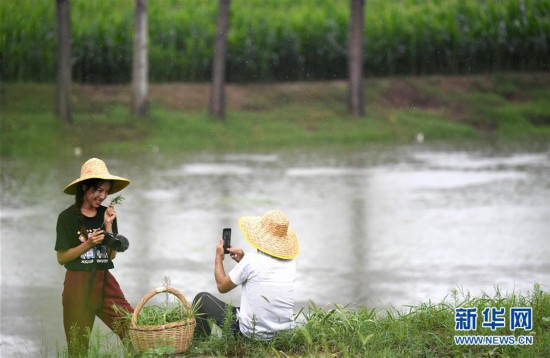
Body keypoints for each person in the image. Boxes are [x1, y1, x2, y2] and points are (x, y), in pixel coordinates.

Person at [55, 158, 134, 355]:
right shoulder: (67, 218)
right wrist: (88, 244)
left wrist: (108, 226)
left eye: (106, 191)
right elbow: (62, 258)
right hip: (77, 284)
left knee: (133, 330)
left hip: (104, 281)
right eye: (99, 190)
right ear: (84, 188)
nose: (103, 196)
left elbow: (112, 256)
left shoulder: (107, 214)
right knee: (78, 349)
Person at [193, 209, 300, 339]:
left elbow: (222, 286)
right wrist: (243, 261)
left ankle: (200, 345)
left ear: (259, 236)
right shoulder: (291, 263)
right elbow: (263, 276)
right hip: (284, 335)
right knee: (244, 307)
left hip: (251, 335)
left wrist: (218, 258)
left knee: (202, 298)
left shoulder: (251, 260)